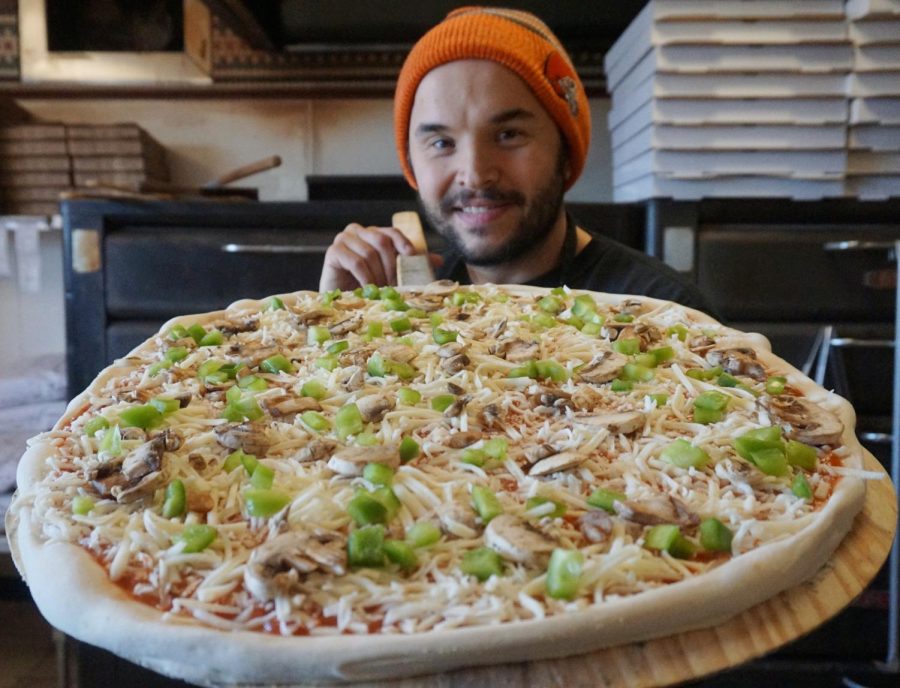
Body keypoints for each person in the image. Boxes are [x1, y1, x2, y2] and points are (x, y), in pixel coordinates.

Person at [319, 6, 713, 314]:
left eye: (508, 135)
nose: (474, 174)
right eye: (441, 143)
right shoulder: (405, 300)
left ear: (565, 151)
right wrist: (338, 322)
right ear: (411, 164)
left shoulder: (664, 311)